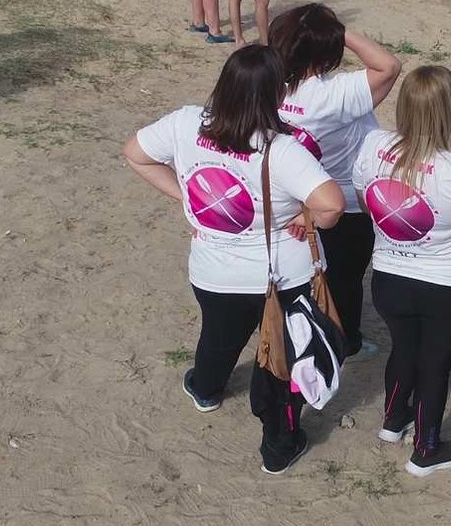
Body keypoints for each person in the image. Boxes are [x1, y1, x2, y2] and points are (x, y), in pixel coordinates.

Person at [123, 45, 345, 474]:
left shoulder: (186, 123)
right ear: (276, 96)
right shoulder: (282, 150)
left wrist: (189, 200)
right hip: (281, 276)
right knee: (281, 358)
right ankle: (278, 445)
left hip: (214, 270)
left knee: (218, 336)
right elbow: (332, 205)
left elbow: (135, 153)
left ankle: (206, 389)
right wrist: (305, 215)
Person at [351, 66, 451, 476]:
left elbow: (369, 203)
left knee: (404, 347)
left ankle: (393, 419)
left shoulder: (374, 146)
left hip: (389, 276)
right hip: (448, 285)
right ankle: (426, 449)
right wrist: (442, 243)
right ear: (450, 111)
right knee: (435, 362)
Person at [269, 4, 404, 360]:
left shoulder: (273, 88)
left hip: (299, 193)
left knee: (311, 270)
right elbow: (389, 66)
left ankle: (310, 329)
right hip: (348, 200)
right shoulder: (332, 94)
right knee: (345, 278)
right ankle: (346, 341)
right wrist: (338, 31)